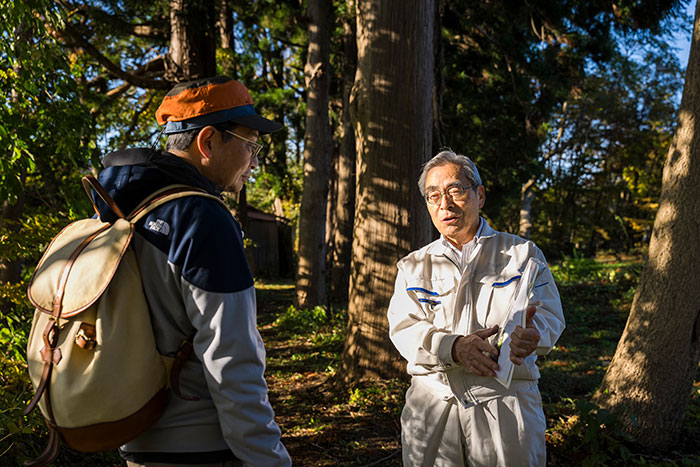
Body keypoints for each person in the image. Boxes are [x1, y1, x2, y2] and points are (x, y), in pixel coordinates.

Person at [92, 76, 291, 466]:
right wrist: (268, 459)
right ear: (208, 141)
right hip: (202, 447)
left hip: (135, 437)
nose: (254, 161)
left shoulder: (120, 209)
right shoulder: (202, 219)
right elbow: (232, 360)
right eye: (250, 144)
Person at [387, 150, 565, 467]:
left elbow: (549, 316)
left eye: (455, 190)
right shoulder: (413, 266)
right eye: (433, 196)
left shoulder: (522, 254)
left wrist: (533, 335)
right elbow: (404, 328)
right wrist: (454, 347)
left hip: (505, 402)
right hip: (433, 403)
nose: (445, 204)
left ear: (479, 195)